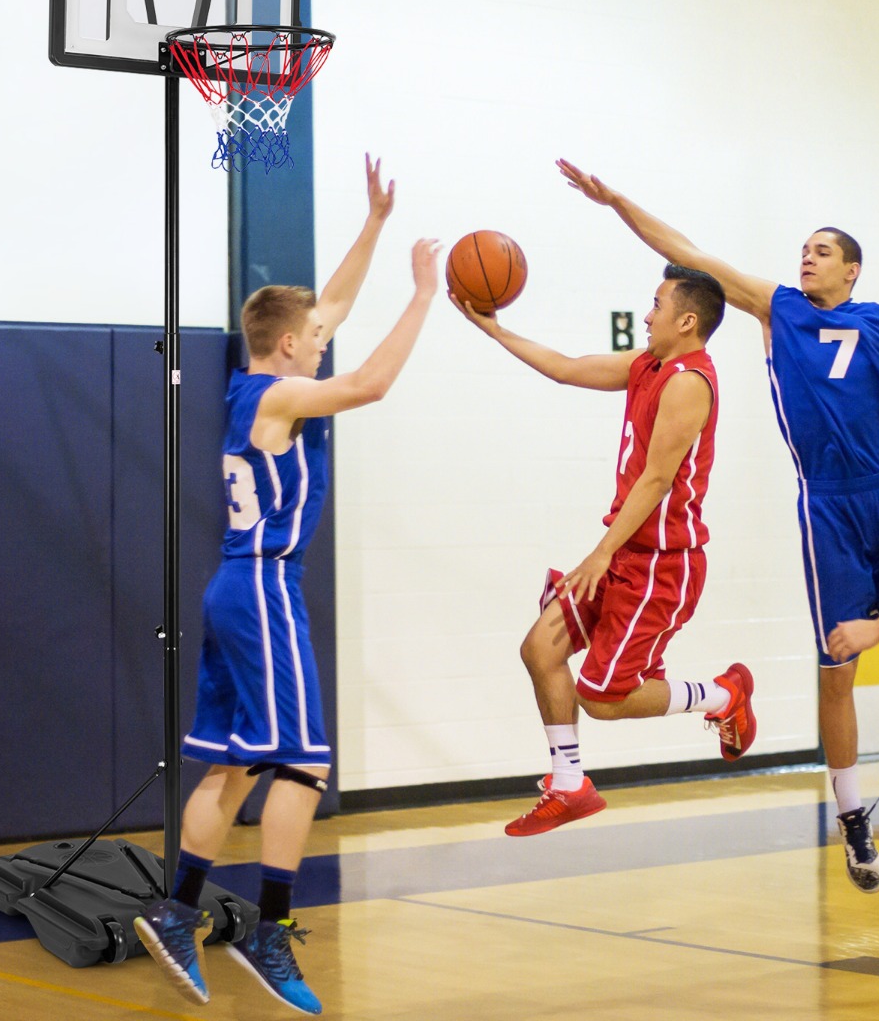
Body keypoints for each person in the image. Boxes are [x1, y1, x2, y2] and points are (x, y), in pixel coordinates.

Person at [557, 157, 879, 890]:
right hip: (828, 503)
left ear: (852, 272)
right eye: (805, 248)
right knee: (837, 667)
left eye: (824, 250)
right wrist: (617, 199)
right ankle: (852, 818)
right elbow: (690, 254)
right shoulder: (775, 305)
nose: (807, 256)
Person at [135, 155, 440, 1016]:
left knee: (233, 770)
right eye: (314, 336)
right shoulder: (283, 396)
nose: (325, 335)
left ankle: (174, 910)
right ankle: (269, 933)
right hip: (265, 586)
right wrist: (422, 296)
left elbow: (328, 305)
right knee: (303, 762)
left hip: (237, 585)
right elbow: (372, 382)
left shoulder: (253, 379)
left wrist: (375, 223)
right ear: (289, 347)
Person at [455, 263, 756, 837]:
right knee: (540, 650)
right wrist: (494, 330)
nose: (647, 314)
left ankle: (723, 693)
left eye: (657, 305)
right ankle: (569, 786)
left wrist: (598, 553)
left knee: (604, 697)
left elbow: (657, 480)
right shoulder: (647, 365)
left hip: (660, 564)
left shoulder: (689, 381)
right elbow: (567, 370)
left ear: (686, 320)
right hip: (622, 552)